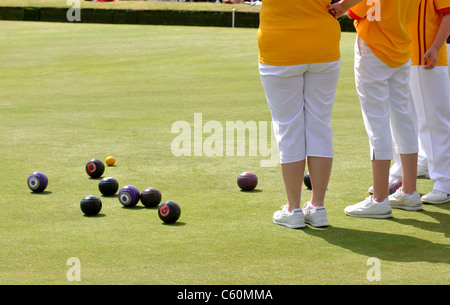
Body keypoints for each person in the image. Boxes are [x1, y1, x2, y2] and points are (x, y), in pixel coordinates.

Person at [329, 0, 422, 218]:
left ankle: (379, 198)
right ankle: (409, 191)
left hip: (374, 45)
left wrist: (342, 6)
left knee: (377, 122)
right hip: (400, 45)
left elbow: (357, 10)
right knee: (403, 119)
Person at [258, 0, 341, 228]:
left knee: (288, 127)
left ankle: (293, 209)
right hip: (323, 44)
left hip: (279, 46)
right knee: (319, 125)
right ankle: (318, 207)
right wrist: (344, 5)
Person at [391, 0, 450, 206]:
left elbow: (447, 14)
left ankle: (444, 181)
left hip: (428, 57)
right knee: (404, 119)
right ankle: (404, 175)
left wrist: (435, 47)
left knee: (434, 120)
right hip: (400, 55)